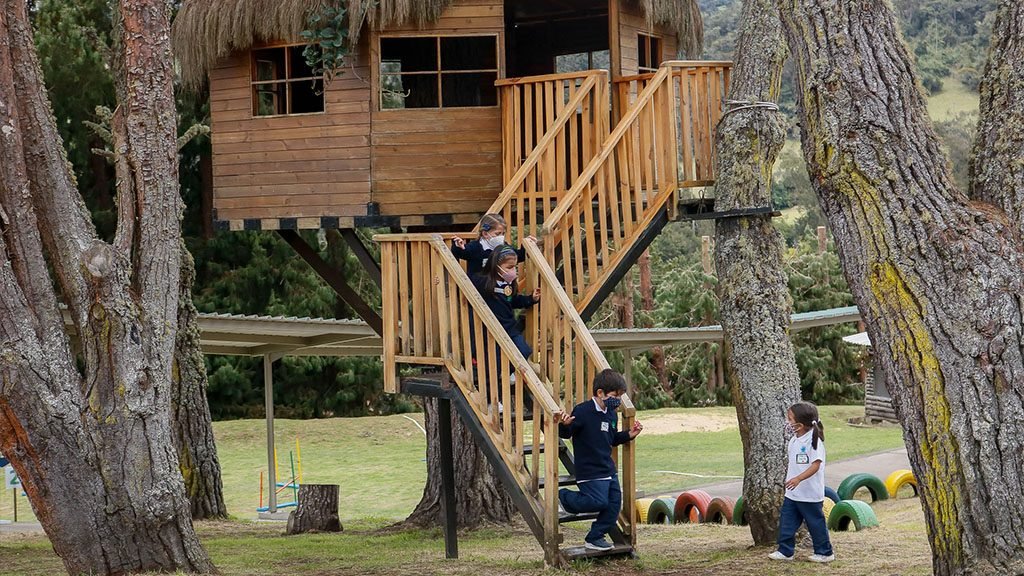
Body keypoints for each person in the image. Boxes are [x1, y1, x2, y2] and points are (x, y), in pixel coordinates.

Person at [555, 369, 643, 551]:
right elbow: (566, 433)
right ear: (600, 393)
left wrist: (629, 434)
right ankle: (563, 497)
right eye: (615, 396)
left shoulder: (611, 414)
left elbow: (610, 439)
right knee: (598, 502)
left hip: (608, 470)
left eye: (620, 396)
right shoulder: (583, 411)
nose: (618, 400)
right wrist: (564, 425)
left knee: (612, 505)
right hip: (590, 470)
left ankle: (595, 537)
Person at [769, 401, 835, 563]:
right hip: (793, 494)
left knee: (816, 525)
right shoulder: (794, 440)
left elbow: (816, 465)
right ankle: (785, 551)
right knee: (786, 523)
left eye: (790, 419)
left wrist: (799, 478)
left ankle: (825, 553)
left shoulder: (814, 442)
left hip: (810, 495)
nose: (788, 423)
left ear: (801, 423)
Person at [472, 245, 539, 361]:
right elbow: (466, 278)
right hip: (491, 327)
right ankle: (495, 375)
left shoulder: (509, 284)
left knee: (524, 351)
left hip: (509, 327)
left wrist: (530, 299)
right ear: (496, 266)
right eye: (509, 267)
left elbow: (512, 300)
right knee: (495, 358)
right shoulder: (483, 282)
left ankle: (509, 372)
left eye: (514, 267)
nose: (513, 271)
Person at [452, 213, 536, 277]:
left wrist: (526, 246)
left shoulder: (503, 247)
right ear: (485, 234)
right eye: (497, 234)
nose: (501, 237)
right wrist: (458, 246)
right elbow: (461, 253)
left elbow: (518, 256)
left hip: (498, 288)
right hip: (479, 291)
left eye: (503, 233)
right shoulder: (475, 247)